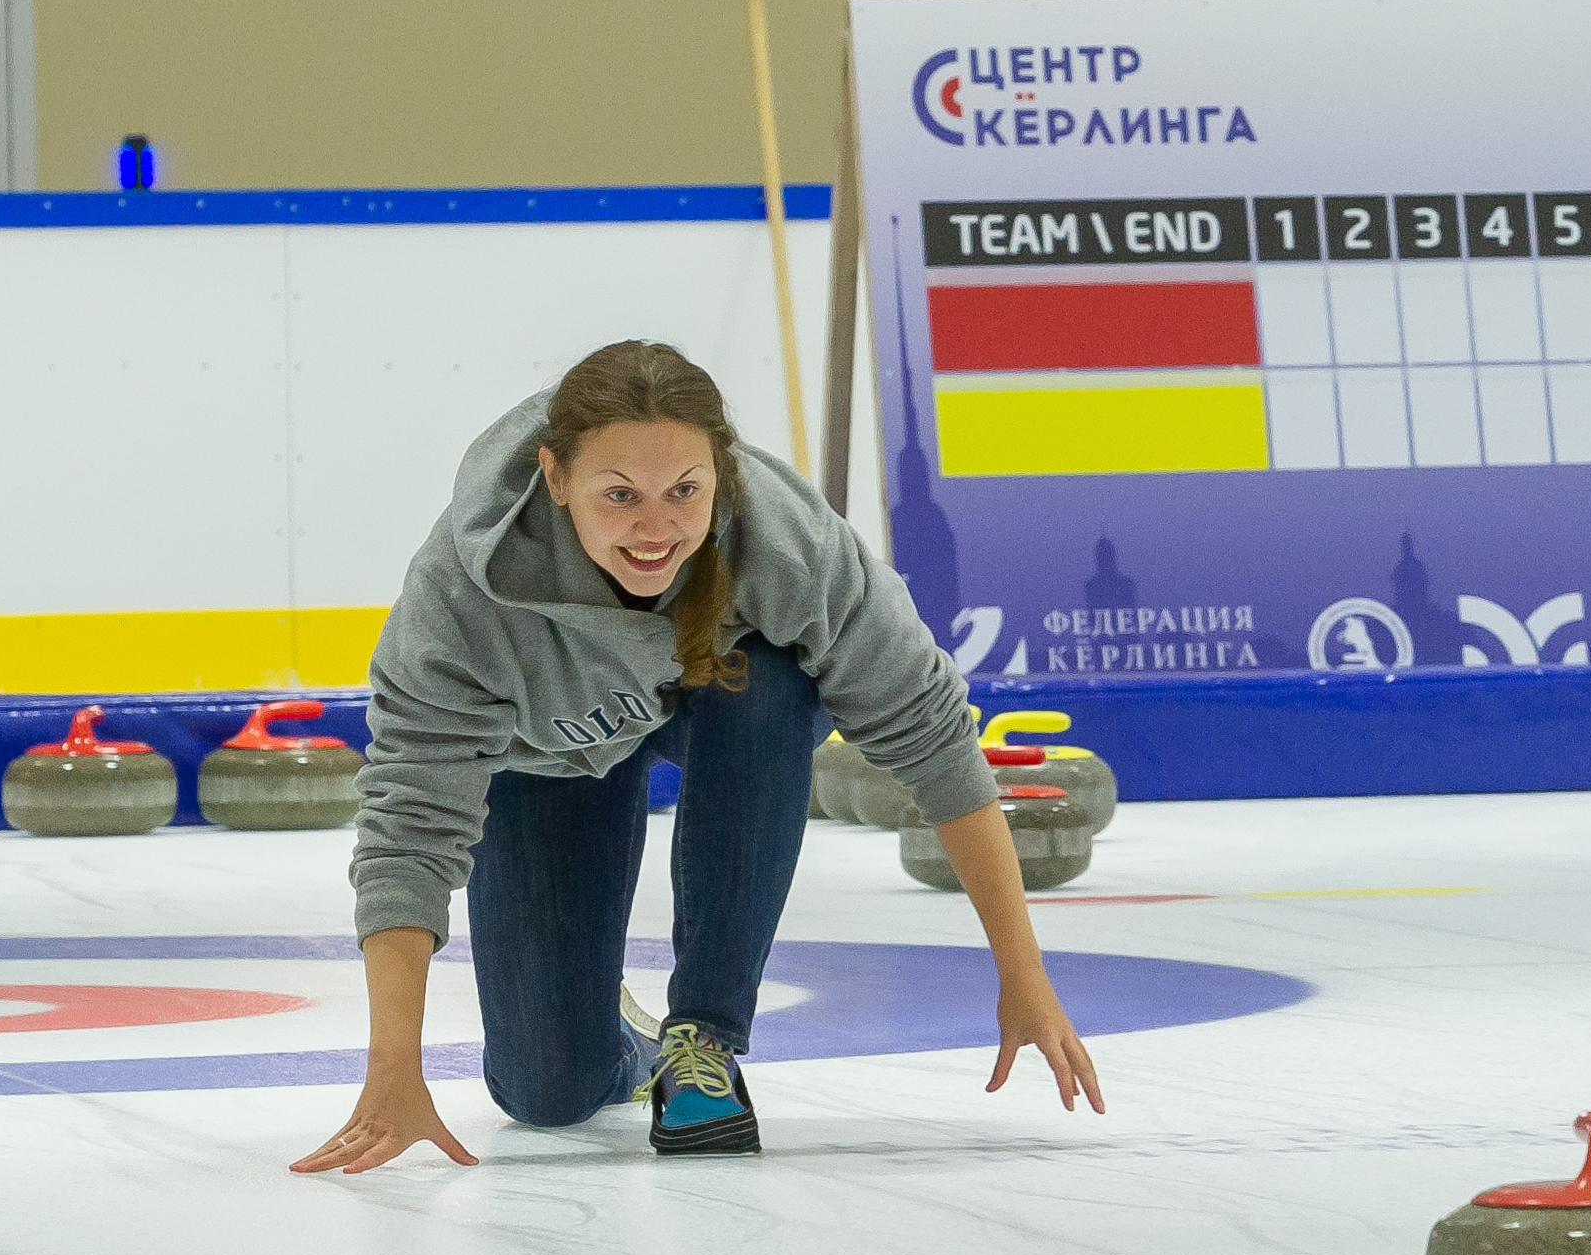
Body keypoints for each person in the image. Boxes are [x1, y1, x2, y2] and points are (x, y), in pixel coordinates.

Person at [294, 338, 1103, 1174]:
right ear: (555, 476)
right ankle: (613, 1031)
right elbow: (408, 830)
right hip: (545, 761)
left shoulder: (784, 542)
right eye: (619, 495)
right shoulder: (462, 599)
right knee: (546, 1093)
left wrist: (1024, 972)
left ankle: (702, 1035)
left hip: (723, 708)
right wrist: (394, 1068)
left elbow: (933, 738)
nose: (655, 527)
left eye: (684, 490)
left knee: (767, 686)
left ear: (722, 474)